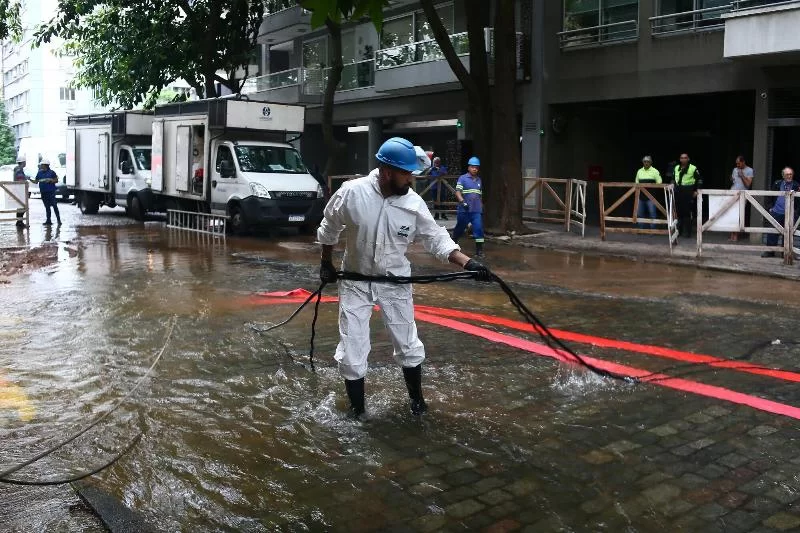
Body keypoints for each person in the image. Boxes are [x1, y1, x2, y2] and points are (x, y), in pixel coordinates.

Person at [316, 137, 491, 418]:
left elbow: (435, 238)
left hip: (395, 281)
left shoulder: (413, 203)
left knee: (408, 343)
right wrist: (326, 263)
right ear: (386, 171)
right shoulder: (352, 193)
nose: (411, 179)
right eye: (405, 173)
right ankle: (357, 411)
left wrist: (468, 262)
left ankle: (418, 404)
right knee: (352, 348)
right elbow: (329, 228)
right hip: (355, 281)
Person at [762, 167, 800, 258]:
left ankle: (785, 253)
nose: (789, 176)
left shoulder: (796, 185)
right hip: (776, 211)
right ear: (783, 175)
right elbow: (770, 196)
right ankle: (770, 252)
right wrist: (770, 208)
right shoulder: (777, 183)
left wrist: (796, 211)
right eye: (787, 174)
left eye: (791, 174)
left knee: (788, 233)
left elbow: (798, 200)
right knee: (772, 232)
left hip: (789, 213)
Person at [452, 156, 485, 257]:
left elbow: (480, 195)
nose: (475, 169)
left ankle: (479, 251)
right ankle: (452, 245)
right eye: (473, 167)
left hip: (476, 211)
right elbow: (457, 192)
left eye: (476, 167)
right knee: (459, 229)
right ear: (469, 168)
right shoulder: (463, 178)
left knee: (479, 229)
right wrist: (463, 202)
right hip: (464, 210)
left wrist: (481, 206)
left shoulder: (479, 180)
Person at [672, 153, 702, 239]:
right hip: (678, 192)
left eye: (685, 158)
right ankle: (679, 231)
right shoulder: (676, 168)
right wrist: (672, 187)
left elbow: (699, 180)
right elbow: (673, 179)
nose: (683, 159)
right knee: (679, 213)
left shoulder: (693, 168)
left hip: (688, 191)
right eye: (682, 158)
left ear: (688, 159)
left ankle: (688, 233)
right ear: (680, 159)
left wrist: (696, 191)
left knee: (688, 213)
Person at [30, 158, 61, 226]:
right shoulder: (39, 173)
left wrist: (50, 180)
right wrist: (30, 179)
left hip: (51, 192)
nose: (41, 166)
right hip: (43, 192)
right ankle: (48, 220)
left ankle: (59, 220)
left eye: (42, 165)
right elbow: (36, 181)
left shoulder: (52, 172)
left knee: (54, 206)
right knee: (47, 206)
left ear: (46, 165)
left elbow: (56, 180)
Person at [730, 155, 754, 242]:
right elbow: (733, 180)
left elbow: (748, 184)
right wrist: (732, 178)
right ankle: (732, 234)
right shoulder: (735, 169)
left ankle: (736, 235)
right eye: (736, 164)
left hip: (742, 195)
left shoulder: (749, 170)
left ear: (743, 162)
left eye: (739, 163)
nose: (737, 165)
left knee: (739, 215)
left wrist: (742, 176)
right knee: (731, 214)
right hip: (733, 193)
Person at [635, 155, 662, 229]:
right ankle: (641, 229)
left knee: (652, 214)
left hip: (651, 197)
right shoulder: (639, 171)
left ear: (651, 162)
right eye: (645, 161)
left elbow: (659, 182)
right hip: (640, 196)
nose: (646, 163)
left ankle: (653, 230)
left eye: (648, 161)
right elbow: (636, 182)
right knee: (640, 214)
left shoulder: (655, 171)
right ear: (643, 162)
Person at [13, 155, 27, 228]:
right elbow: (20, 180)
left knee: (20, 207)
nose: (25, 163)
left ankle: (19, 221)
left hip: (18, 189)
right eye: (25, 161)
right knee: (22, 207)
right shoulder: (19, 170)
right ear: (23, 162)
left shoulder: (17, 169)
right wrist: (26, 181)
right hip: (20, 190)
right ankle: (19, 222)